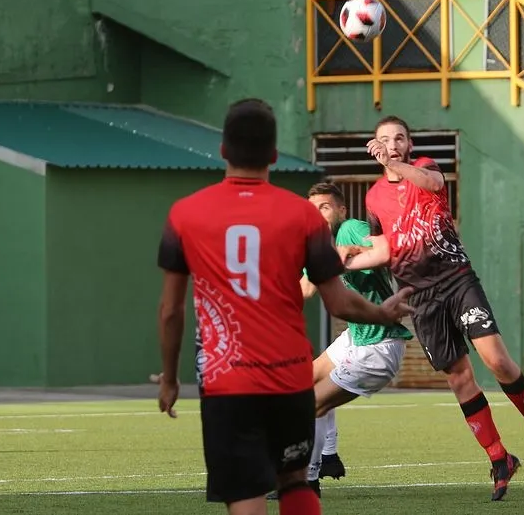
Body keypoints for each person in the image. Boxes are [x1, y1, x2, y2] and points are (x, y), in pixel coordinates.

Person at [156, 98, 412, 515]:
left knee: (246, 494)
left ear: (223, 150)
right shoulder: (302, 216)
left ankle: (325, 457)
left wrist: (169, 377)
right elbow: (339, 302)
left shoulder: (185, 214)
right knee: (294, 483)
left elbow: (170, 310)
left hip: (225, 375)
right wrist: (383, 313)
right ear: (274, 155)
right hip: (287, 370)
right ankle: (322, 460)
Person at [340, 115, 524, 502]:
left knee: (496, 361)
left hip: (457, 279)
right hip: (421, 297)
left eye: (399, 138)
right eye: (385, 139)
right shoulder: (374, 197)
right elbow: (383, 249)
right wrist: (341, 259)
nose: (392, 144)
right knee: (459, 378)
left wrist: (393, 164)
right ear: (374, 145)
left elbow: (432, 184)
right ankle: (500, 458)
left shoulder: (425, 168)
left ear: (409, 145)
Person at [291, 181, 414, 496]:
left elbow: (387, 250)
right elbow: (304, 291)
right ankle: (329, 455)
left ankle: (307, 480)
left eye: (325, 207)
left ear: (342, 210)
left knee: (309, 404)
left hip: (379, 346)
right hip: (356, 337)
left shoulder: (350, 228)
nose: (318, 215)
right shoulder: (319, 247)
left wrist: (354, 251)